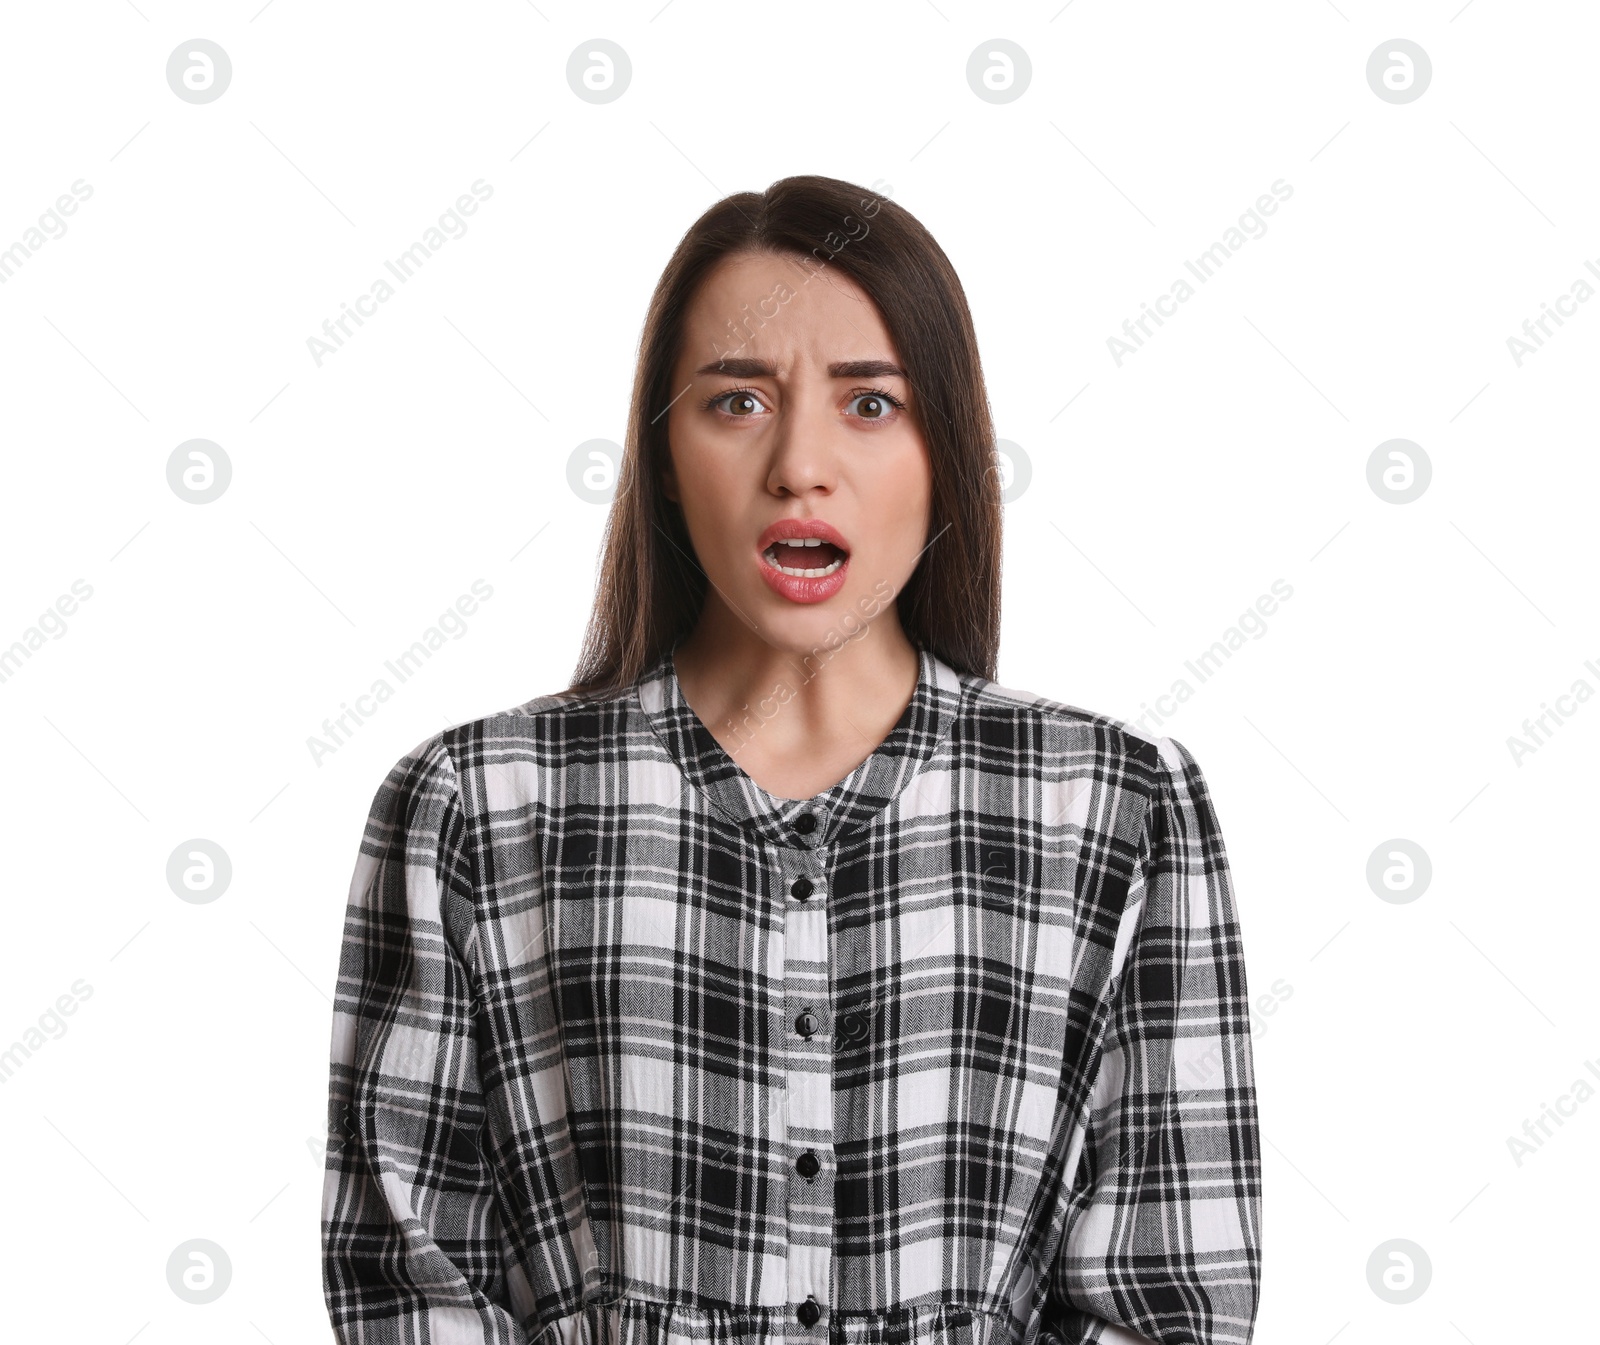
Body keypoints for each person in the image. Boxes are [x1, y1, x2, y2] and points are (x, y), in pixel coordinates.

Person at [320, 174, 1262, 1345]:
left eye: (870, 405)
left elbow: (1166, 1300)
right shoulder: (477, 806)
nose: (799, 465)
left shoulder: (1115, 807)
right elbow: (408, 1283)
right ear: (664, 456)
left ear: (947, 452)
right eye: (736, 403)